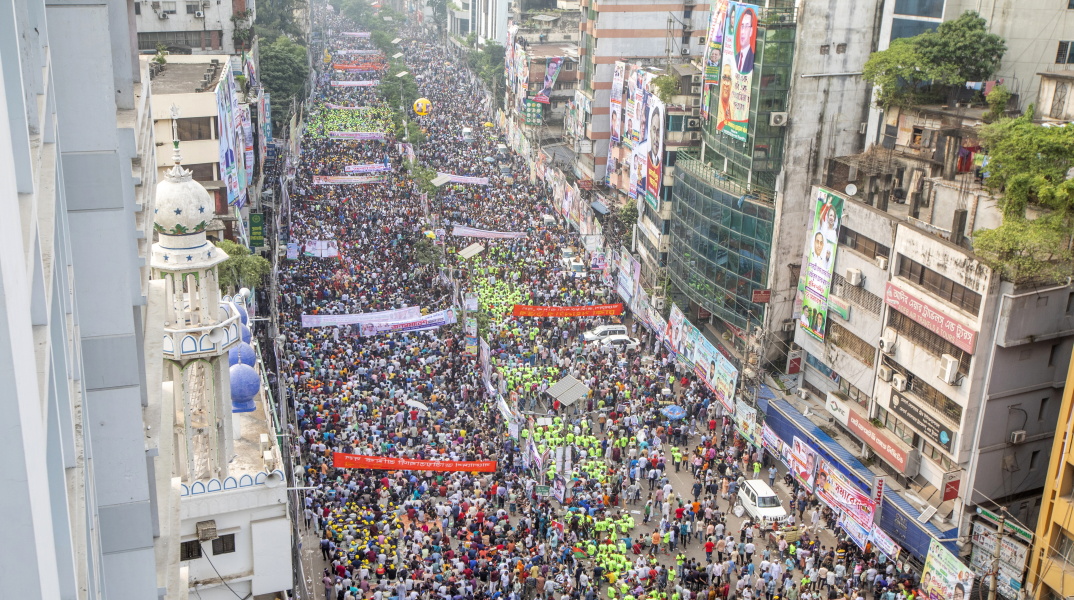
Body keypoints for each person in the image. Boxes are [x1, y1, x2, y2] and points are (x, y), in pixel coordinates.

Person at [734, 8, 757, 74]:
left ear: (751, 31)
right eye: (742, 26)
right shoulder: (736, 57)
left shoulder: (752, 58)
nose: (743, 31)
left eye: (746, 26)